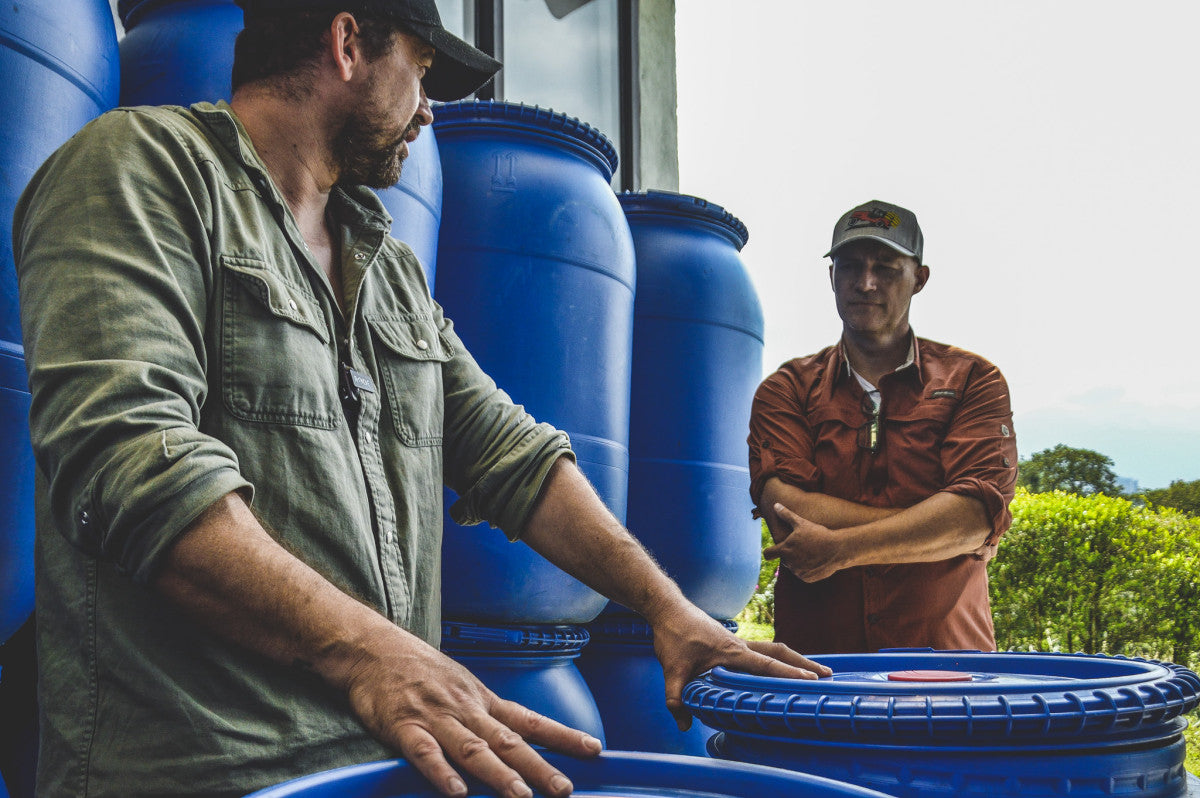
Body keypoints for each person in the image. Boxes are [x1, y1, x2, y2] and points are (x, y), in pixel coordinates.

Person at [12, 2, 829, 796]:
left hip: (383, 765)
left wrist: (669, 610)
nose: (429, 111)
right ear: (346, 44)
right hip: (209, 772)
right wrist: (375, 655)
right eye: (421, 69)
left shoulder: (385, 266)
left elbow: (513, 456)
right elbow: (131, 467)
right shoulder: (141, 171)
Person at [747, 200, 1018, 655]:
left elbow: (972, 516)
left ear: (920, 279)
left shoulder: (973, 379)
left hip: (948, 671)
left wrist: (839, 548)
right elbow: (786, 511)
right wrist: (940, 529)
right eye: (850, 266)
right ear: (831, 277)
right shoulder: (786, 388)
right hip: (819, 672)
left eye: (887, 268)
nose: (866, 282)